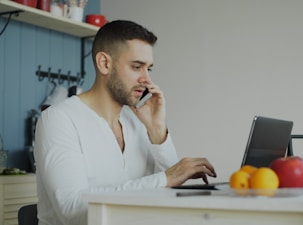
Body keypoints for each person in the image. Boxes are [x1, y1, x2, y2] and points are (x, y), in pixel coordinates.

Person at [34, 20, 217, 225]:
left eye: (149, 69)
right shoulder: (59, 119)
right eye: (137, 67)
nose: (146, 79)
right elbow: (73, 210)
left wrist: (158, 131)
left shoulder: (137, 121)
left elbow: (173, 192)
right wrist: (165, 178)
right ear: (105, 63)